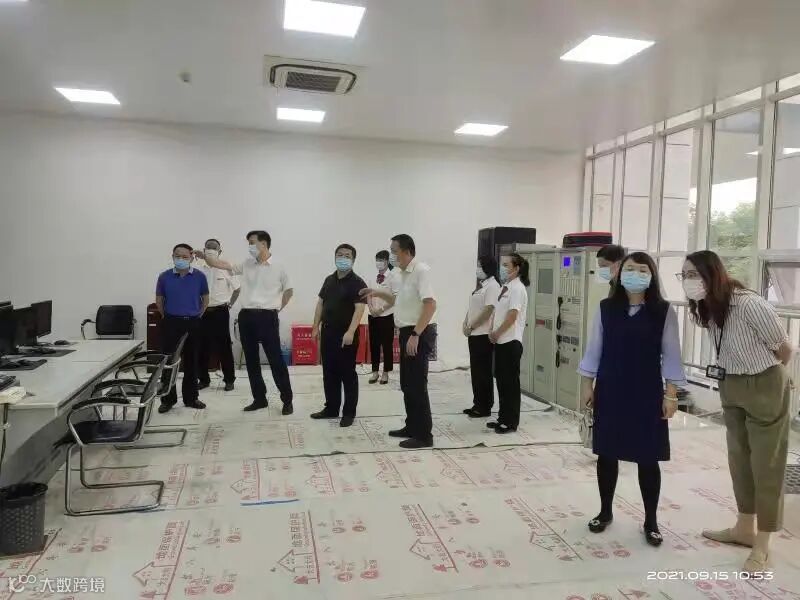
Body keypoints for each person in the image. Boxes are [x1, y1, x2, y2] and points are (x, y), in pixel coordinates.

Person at [682, 250, 791, 572]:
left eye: (693, 274)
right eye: (684, 275)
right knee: (739, 459)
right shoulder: (708, 306)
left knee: (767, 463)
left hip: (764, 382)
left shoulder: (749, 304)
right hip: (730, 383)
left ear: (713, 274)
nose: (688, 281)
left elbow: (784, 349)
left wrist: (776, 382)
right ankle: (744, 527)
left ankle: (764, 542)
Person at [578, 252, 685, 546]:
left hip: (646, 391)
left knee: (648, 457)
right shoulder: (606, 308)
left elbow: (672, 356)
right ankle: (605, 511)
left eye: (642, 270)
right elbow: (594, 349)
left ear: (651, 276)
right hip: (610, 388)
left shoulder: (663, 312)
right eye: (629, 268)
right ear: (620, 273)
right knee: (607, 453)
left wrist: (671, 395)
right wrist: (587, 385)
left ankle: (651, 520)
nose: (635, 274)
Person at [200, 231, 294, 414]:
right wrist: (205, 256)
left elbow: (289, 291)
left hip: (267, 317)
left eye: (252, 242)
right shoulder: (247, 263)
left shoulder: (279, 266)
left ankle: (287, 400)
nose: (249, 246)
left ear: (264, 244)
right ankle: (259, 399)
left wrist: (277, 309)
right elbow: (221, 264)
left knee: (275, 360)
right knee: (251, 361)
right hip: (246, 317)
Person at [360, 234, 437, 449]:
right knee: (407, 384)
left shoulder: (421, 271)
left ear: (407, 251)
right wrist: (376, 292)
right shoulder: (400, 274)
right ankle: (412, 425)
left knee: (417, 384)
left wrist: (416, 334)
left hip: (417, 332)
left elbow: (430, 304)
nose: (391, 255)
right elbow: (396, 300)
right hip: (406, 332)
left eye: (394, 251)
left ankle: (424, 435)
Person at [310, 244, 368, 427]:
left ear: (353, 260)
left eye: (347, 256)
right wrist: (315, 326)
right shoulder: (329, 280)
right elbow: (320, 304)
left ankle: (349, 412)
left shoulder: (358, 283)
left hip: (346, 336)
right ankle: (331, 408)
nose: (343, 258)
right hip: (328, 332)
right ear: (335, 257)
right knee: (329, 373)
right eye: (340, 255)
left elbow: (360, 309)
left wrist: (351, 331)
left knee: (347, 374)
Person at [155, 243, 209, 413]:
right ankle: (168, 399)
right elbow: (159, 300)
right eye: (178, 256)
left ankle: (191, 398)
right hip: (171, 322)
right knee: (169, 362)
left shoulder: (200, 277)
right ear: (172, 257)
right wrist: (167, 316)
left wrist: (197, 315)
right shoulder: (164, 277)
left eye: (185, 257)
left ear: (191, 258)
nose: (181, 259)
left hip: (193, 323)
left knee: (192, 361)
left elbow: (205, 299)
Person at [486, 253, 529, 433]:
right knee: (502, 382)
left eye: (506, 265)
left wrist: (497, 333)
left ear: (516, 268)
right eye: (502, 264)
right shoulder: (506, 287)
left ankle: (511, 422)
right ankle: (502, 417)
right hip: (500, 341)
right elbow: (497, 312)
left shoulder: (518, 288)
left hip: (511, 341)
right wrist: (492, 331)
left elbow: (512, 316)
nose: (502, 268)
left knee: (510, 384)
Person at [196, 238, 240, 392]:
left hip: (220, 312)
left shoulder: (226, 268)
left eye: (214, 247)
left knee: (224, 346)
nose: (211, 249)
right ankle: (203, 379)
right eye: (208, 247)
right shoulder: (197, 269)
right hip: (201, 313)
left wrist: (230, 304)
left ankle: (229, 380)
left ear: (220, 251)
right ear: (204, 249)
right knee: (201, 346)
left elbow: (237, 289)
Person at [462, 255, 500, 418]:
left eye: (480, 265)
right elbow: (473, 308)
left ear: (487, 267)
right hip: (474, 334)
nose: (477, 269)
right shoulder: (482, 285)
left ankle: (485, 406)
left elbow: (488, 310)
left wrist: (471, 326)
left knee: (483, 372)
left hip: (483, 335)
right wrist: (465, 323)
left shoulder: (493, 286)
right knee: (476, 372)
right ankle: (477, 403)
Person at [367, 250, 399, 385]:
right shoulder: (372, 277)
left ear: (387, 262)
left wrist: (380, 310)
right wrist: (371, 308)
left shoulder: (392, 277)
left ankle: (386, 372)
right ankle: (375, 371)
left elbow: (394, 298)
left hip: (386, 316)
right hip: (372, 315)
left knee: (386, 345)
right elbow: (368, 294)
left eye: (381, 260)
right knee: (374, 344)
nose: (378, 263)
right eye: (377, 260)